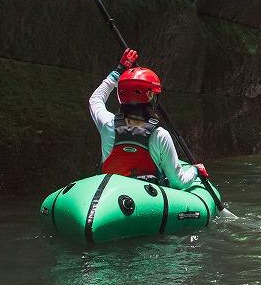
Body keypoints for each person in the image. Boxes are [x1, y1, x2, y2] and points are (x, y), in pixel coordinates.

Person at [89, 48, 208, 188]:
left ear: (120, 95)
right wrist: (195, 170)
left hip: (110, 192)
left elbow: (95, 100)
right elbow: (178, 182)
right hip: (147, 199)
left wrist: (118, 70)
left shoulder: (107, 124)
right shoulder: (160, 135)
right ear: (152, 98)